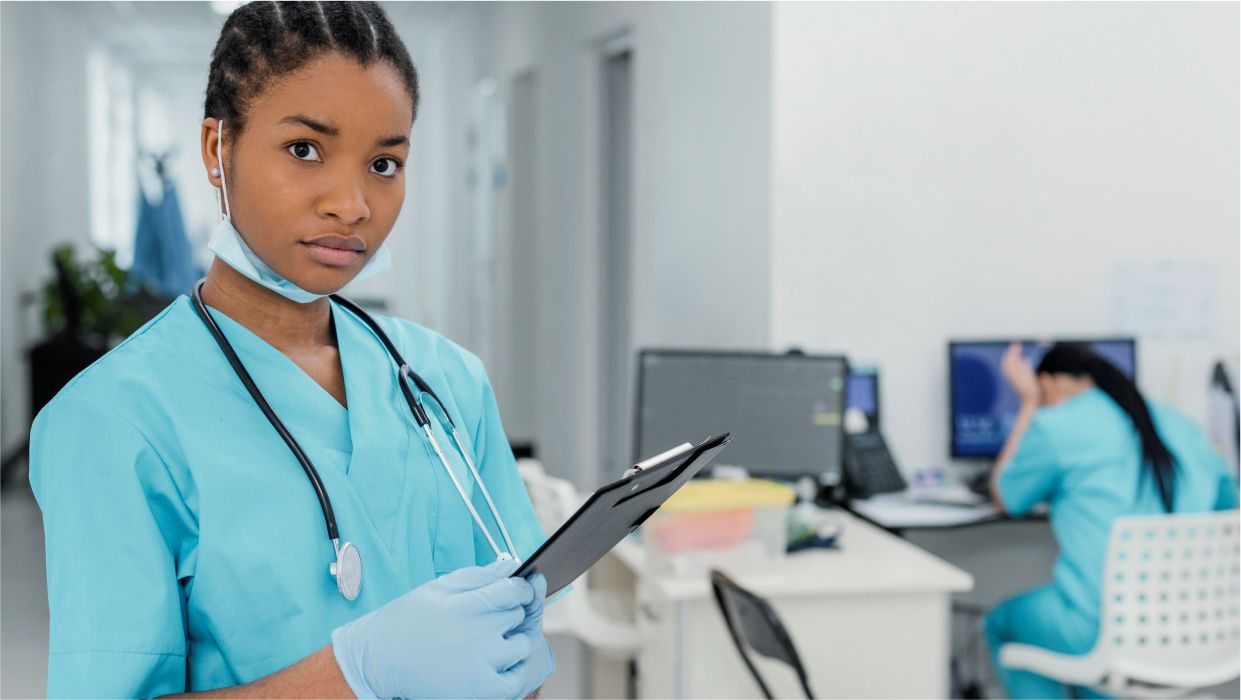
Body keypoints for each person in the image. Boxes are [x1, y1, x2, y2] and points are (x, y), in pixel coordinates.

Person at [29, 3, 554, 697]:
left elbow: (511, 640)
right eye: (305, 149)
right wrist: (352, 672)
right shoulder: (112, 422)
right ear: (217, 149)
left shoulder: (445, 380)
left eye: (384, 162)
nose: (352, 203)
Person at [984, 342, 1239, 699]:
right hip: (1193, 630)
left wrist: (1029, 403)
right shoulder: (1186, 428)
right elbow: (1230, 506)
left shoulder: (1056, 425)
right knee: (1096, 668)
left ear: (1050, 383)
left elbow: (1005, 497)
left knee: (1001, 624)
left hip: (1099, 627)